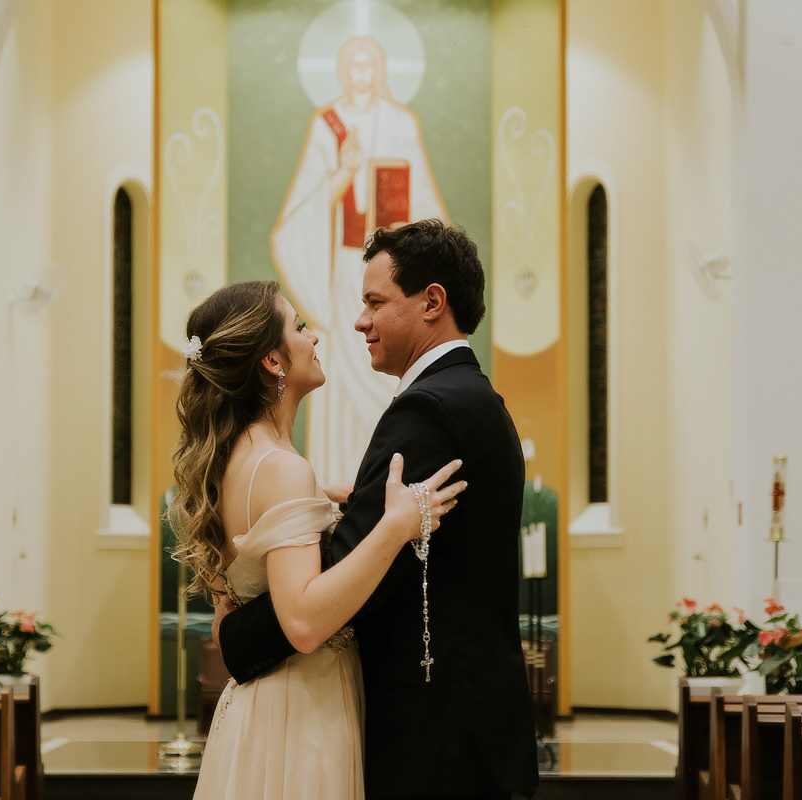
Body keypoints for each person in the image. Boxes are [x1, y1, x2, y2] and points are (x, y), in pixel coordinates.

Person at [218, 220, 540, 800]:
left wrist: (237, 632)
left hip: (439, 737)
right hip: (467, 721)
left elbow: (343, 578)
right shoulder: (469, 397)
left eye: (374, 301)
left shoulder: (429, 410)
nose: (359, 321)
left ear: (432, 301)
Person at [170, 280, 467, 800]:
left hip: (259, 710)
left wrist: (326, 506)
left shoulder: (237, 458)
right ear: (272, 362)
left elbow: (227, 620)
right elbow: (304, 623)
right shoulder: (281, 468)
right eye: (299, 328)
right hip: (301, 715)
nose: (315, 338)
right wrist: (396, 526)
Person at [271, 34, 449, 486]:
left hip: (397, 274)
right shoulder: (327, 126)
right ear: (341, 72)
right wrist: (345, 171)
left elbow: (425, 199)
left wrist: (434, 255)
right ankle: (339, 489)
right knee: (346, 373)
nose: (361, 75)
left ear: (382, 72)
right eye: (353, 65)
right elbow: (301, 213)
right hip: (343, 272)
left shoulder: (401, 123)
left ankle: (393, 485)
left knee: (390, 377)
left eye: (370, 66)